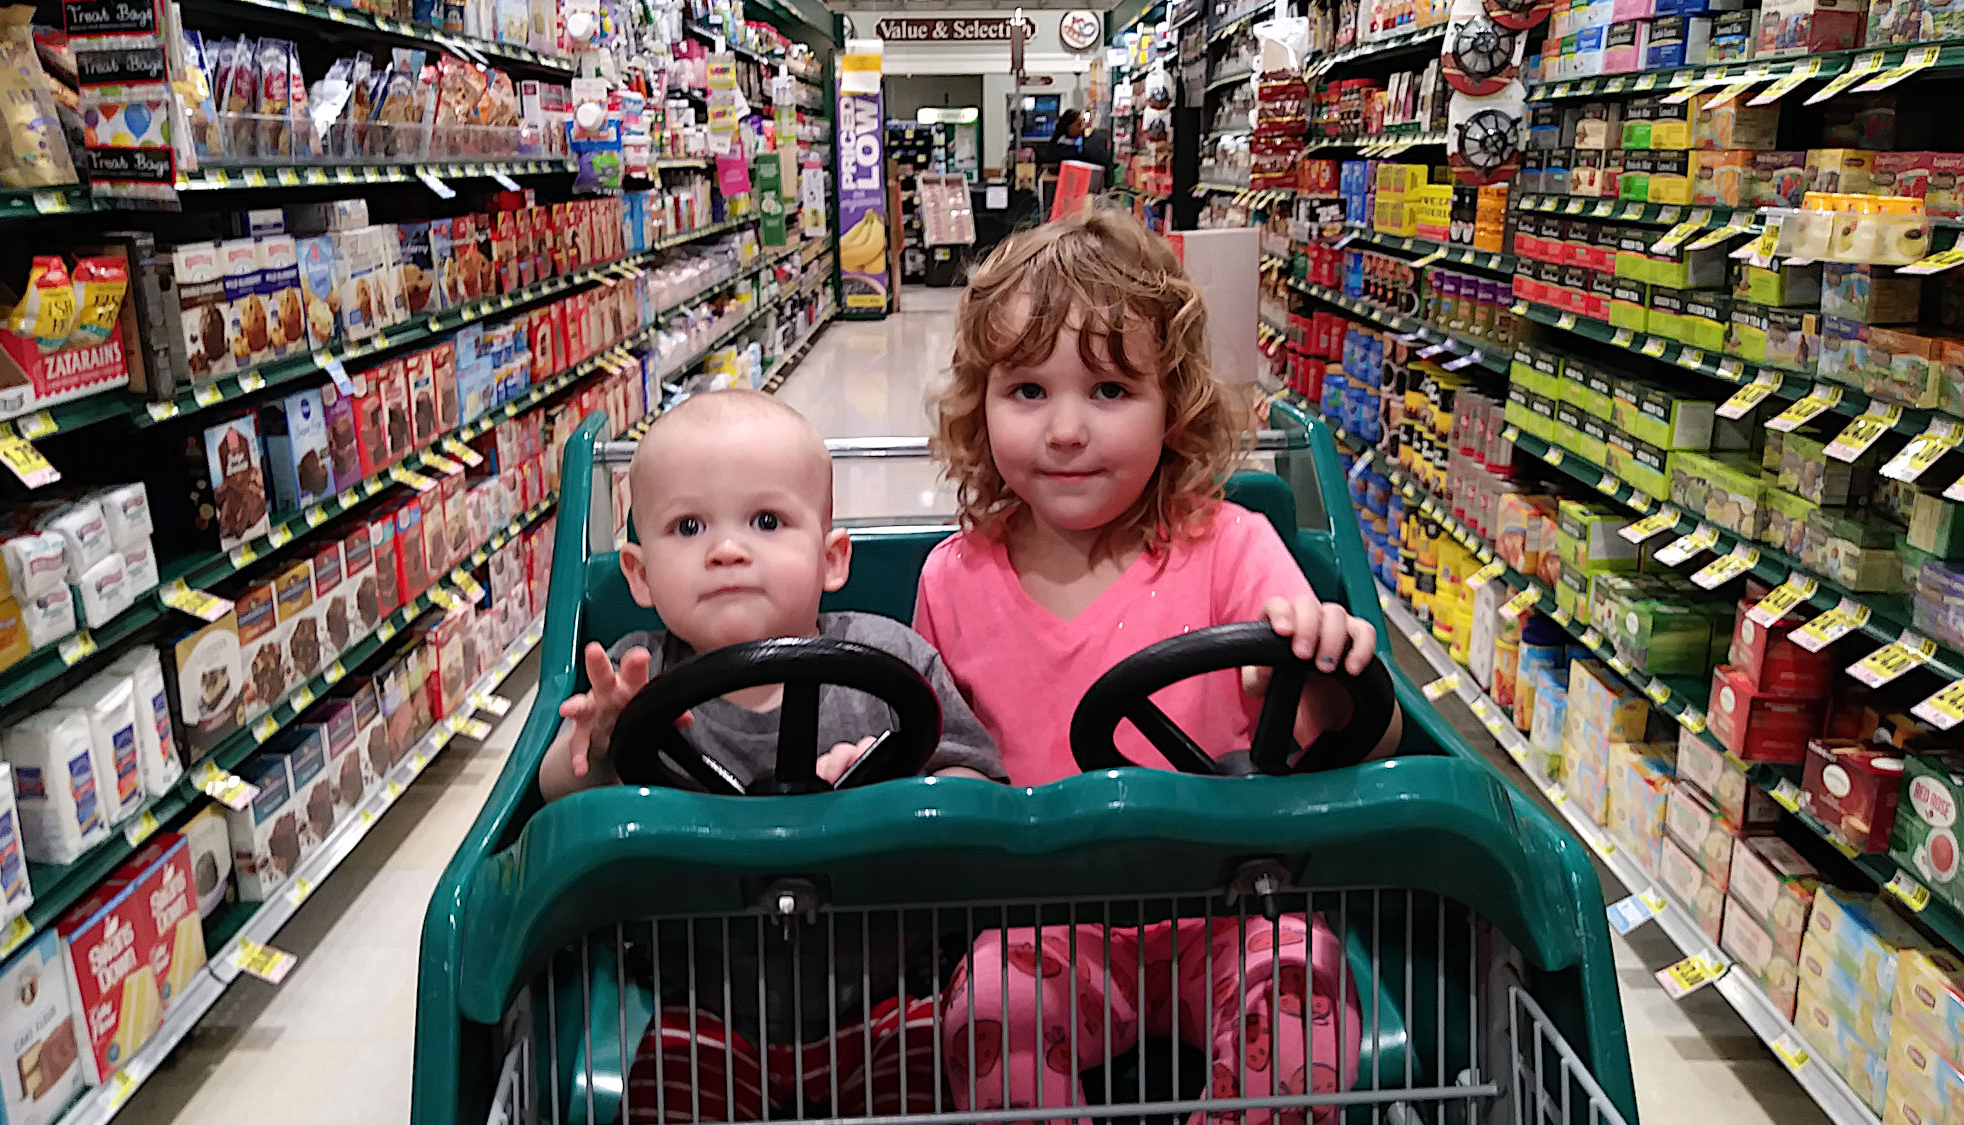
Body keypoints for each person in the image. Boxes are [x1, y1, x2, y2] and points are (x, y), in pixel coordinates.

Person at [916, 209, 1403, 1122]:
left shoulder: (1232, 547)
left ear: (1173, 405)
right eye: (1026, 390)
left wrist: (1329, 677)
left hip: (1233, 910)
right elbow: (935, 768)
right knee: (988, 1006)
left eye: (1108, 389)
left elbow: (1371, 741)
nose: (1064, 430)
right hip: (1044, 926)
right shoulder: (953, 578)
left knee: (1305, 991)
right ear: (979, 406)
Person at [537, 388, 1005, 1123]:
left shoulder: (892, 663)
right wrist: (593, 749)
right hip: (700, 1006)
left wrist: (894, 791)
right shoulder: (635, 680)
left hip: (887, 1001)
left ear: (831, 558)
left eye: (766, 520)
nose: (727, 548)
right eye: (688, 526)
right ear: (638, 573)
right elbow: (558, 799)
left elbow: (978, 784)